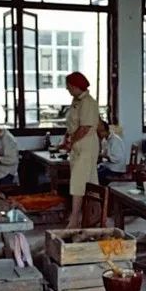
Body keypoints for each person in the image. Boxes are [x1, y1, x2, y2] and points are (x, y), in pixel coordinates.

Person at [61, 72, 101, 229]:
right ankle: (97, 214)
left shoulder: (88, 102)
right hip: (78, 145)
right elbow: (73, 124)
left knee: (78, 182)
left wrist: (71, 142)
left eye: (69, 86)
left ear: (76, 86)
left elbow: (84, 128)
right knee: (89, 181)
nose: (68, 89)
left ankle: (75, 218)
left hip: (86, 145)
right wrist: (67, 138)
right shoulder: (76, 101)